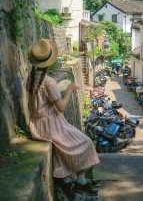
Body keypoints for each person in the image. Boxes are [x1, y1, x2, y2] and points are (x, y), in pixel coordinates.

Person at [27, 39, 100, 190]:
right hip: (50, 125)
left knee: (69, 144)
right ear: (50, 61)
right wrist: (70, 90)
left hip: (36, 123)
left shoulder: (32, 78)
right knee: (86, 142)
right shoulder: (48, 82)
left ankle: (70, 179)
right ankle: (80, 178)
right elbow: (60, 107)